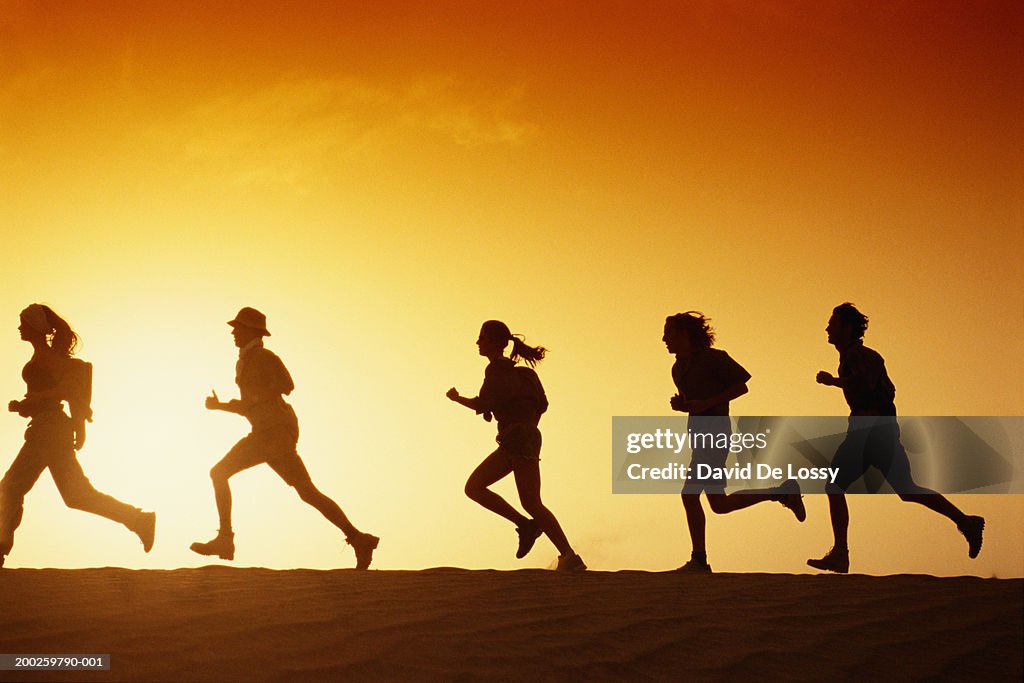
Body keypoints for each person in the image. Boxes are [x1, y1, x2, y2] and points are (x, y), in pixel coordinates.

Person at [190, 307, 379, 569]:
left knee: (219, 473)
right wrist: (220, 406)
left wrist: (250, 402)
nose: (233, 332)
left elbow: (286, 385)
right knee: (307, 492)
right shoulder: (246, 361)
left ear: (253, 332)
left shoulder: (264, 357)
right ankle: (358, 538)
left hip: (272, 433)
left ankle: (225, 539)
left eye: (239, 327)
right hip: (269, 433)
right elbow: (250, 406)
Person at [808, 303, 985, 573]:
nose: (827, 328)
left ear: (847, 327)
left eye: (833, 323)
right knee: (906, 489)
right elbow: (887, 390)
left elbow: (867, 385)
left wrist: (833, 382)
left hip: (869, 433)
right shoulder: (858, 356)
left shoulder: (858, 356)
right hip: (879, 432)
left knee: (834, 485)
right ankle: (966, 521)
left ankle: (840, 554)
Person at [1, 304, 155, 568]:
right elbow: (67, 388)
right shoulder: (43, 356)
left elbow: (75, 382)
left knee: (10, 488)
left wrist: (53, 406)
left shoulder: (47, 357)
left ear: (35, 327)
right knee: (75, 495)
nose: (19, 328)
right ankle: (137, 520)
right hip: (47, 428)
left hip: (49, 431)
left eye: (23, 323)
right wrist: (27, 406)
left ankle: (1, 547)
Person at [664, 312, 805, 574]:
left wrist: (705, 404)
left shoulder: (714, 358)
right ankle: (781, 492)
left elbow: (741, 387)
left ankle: (699, 560)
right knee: (719, 505)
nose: (664, 339)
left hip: (715, 435)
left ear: (684, 334)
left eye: (669, 332)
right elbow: (694, 401)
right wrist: (682, 406)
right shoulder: (677, 368)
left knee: (689, 495)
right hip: (699, 436)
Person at [447, 320, 585, 571]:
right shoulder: (526, 374)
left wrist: (457, 399)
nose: (478, 343)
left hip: (516, 438)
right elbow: (541, 405)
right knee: (531, 501)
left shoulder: (496, 370)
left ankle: (529, 528)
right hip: (529, 436)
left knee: (475, 488)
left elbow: (482, 404)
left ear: (495, 342)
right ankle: (565, 553)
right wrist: (524, 424)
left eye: (482, 338)